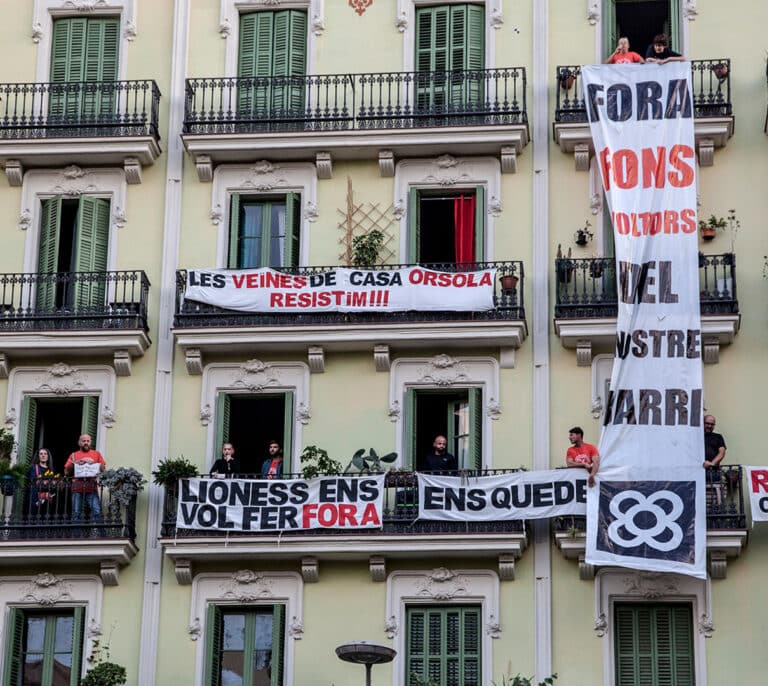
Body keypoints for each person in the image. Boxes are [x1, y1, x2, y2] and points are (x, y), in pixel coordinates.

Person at [64, 434, 105, 521]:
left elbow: (103, 470)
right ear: (79, 443)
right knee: (76, 513)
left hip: (91, 487)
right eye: (83, 441)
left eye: (88, 441)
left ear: (90, 442)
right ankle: (76, 534)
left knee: (97, 511)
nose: (86, 443)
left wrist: (94, 462)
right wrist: (75, 463)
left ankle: (101, 534)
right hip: (76, 488)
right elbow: (66, 472)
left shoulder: (96, 454)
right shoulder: (73, 455)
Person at [28, 448, 59, 516]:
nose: (43, 455)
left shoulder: (51, 470)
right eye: (41, 454)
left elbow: (55, 483)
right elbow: (34, 481)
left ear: (48, 456)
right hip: (36, 497)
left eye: (45, 454)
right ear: (38, 456)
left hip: (49, 498)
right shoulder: (34, 467)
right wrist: (49, 482)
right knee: (35, 517)